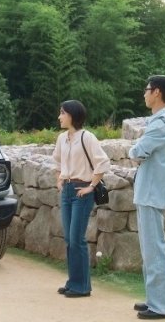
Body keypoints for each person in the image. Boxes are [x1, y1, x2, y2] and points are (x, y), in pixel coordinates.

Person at [128, 75, 165, 320]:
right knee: (150, 251)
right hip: (150, 192)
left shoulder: (160, 124)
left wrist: (133, 149)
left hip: (150, 193)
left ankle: (162, 306)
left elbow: (138, 151)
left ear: (157, 92)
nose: (144, 94)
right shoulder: (162, 121)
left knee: (155, 251)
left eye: (147, 90)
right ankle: (154, 300)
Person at [52, 100, 110, 298]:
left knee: (77, 239)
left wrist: (91, 187)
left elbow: (102, 163)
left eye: (62, 113)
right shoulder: (62, 138)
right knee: (69, 239)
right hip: (67, 190)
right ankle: (73, 282)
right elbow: (57, 161)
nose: (59, 117)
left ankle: (82, 286)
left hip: (81, 192)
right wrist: (59, 180)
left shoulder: (87, 137)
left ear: (72, 115)